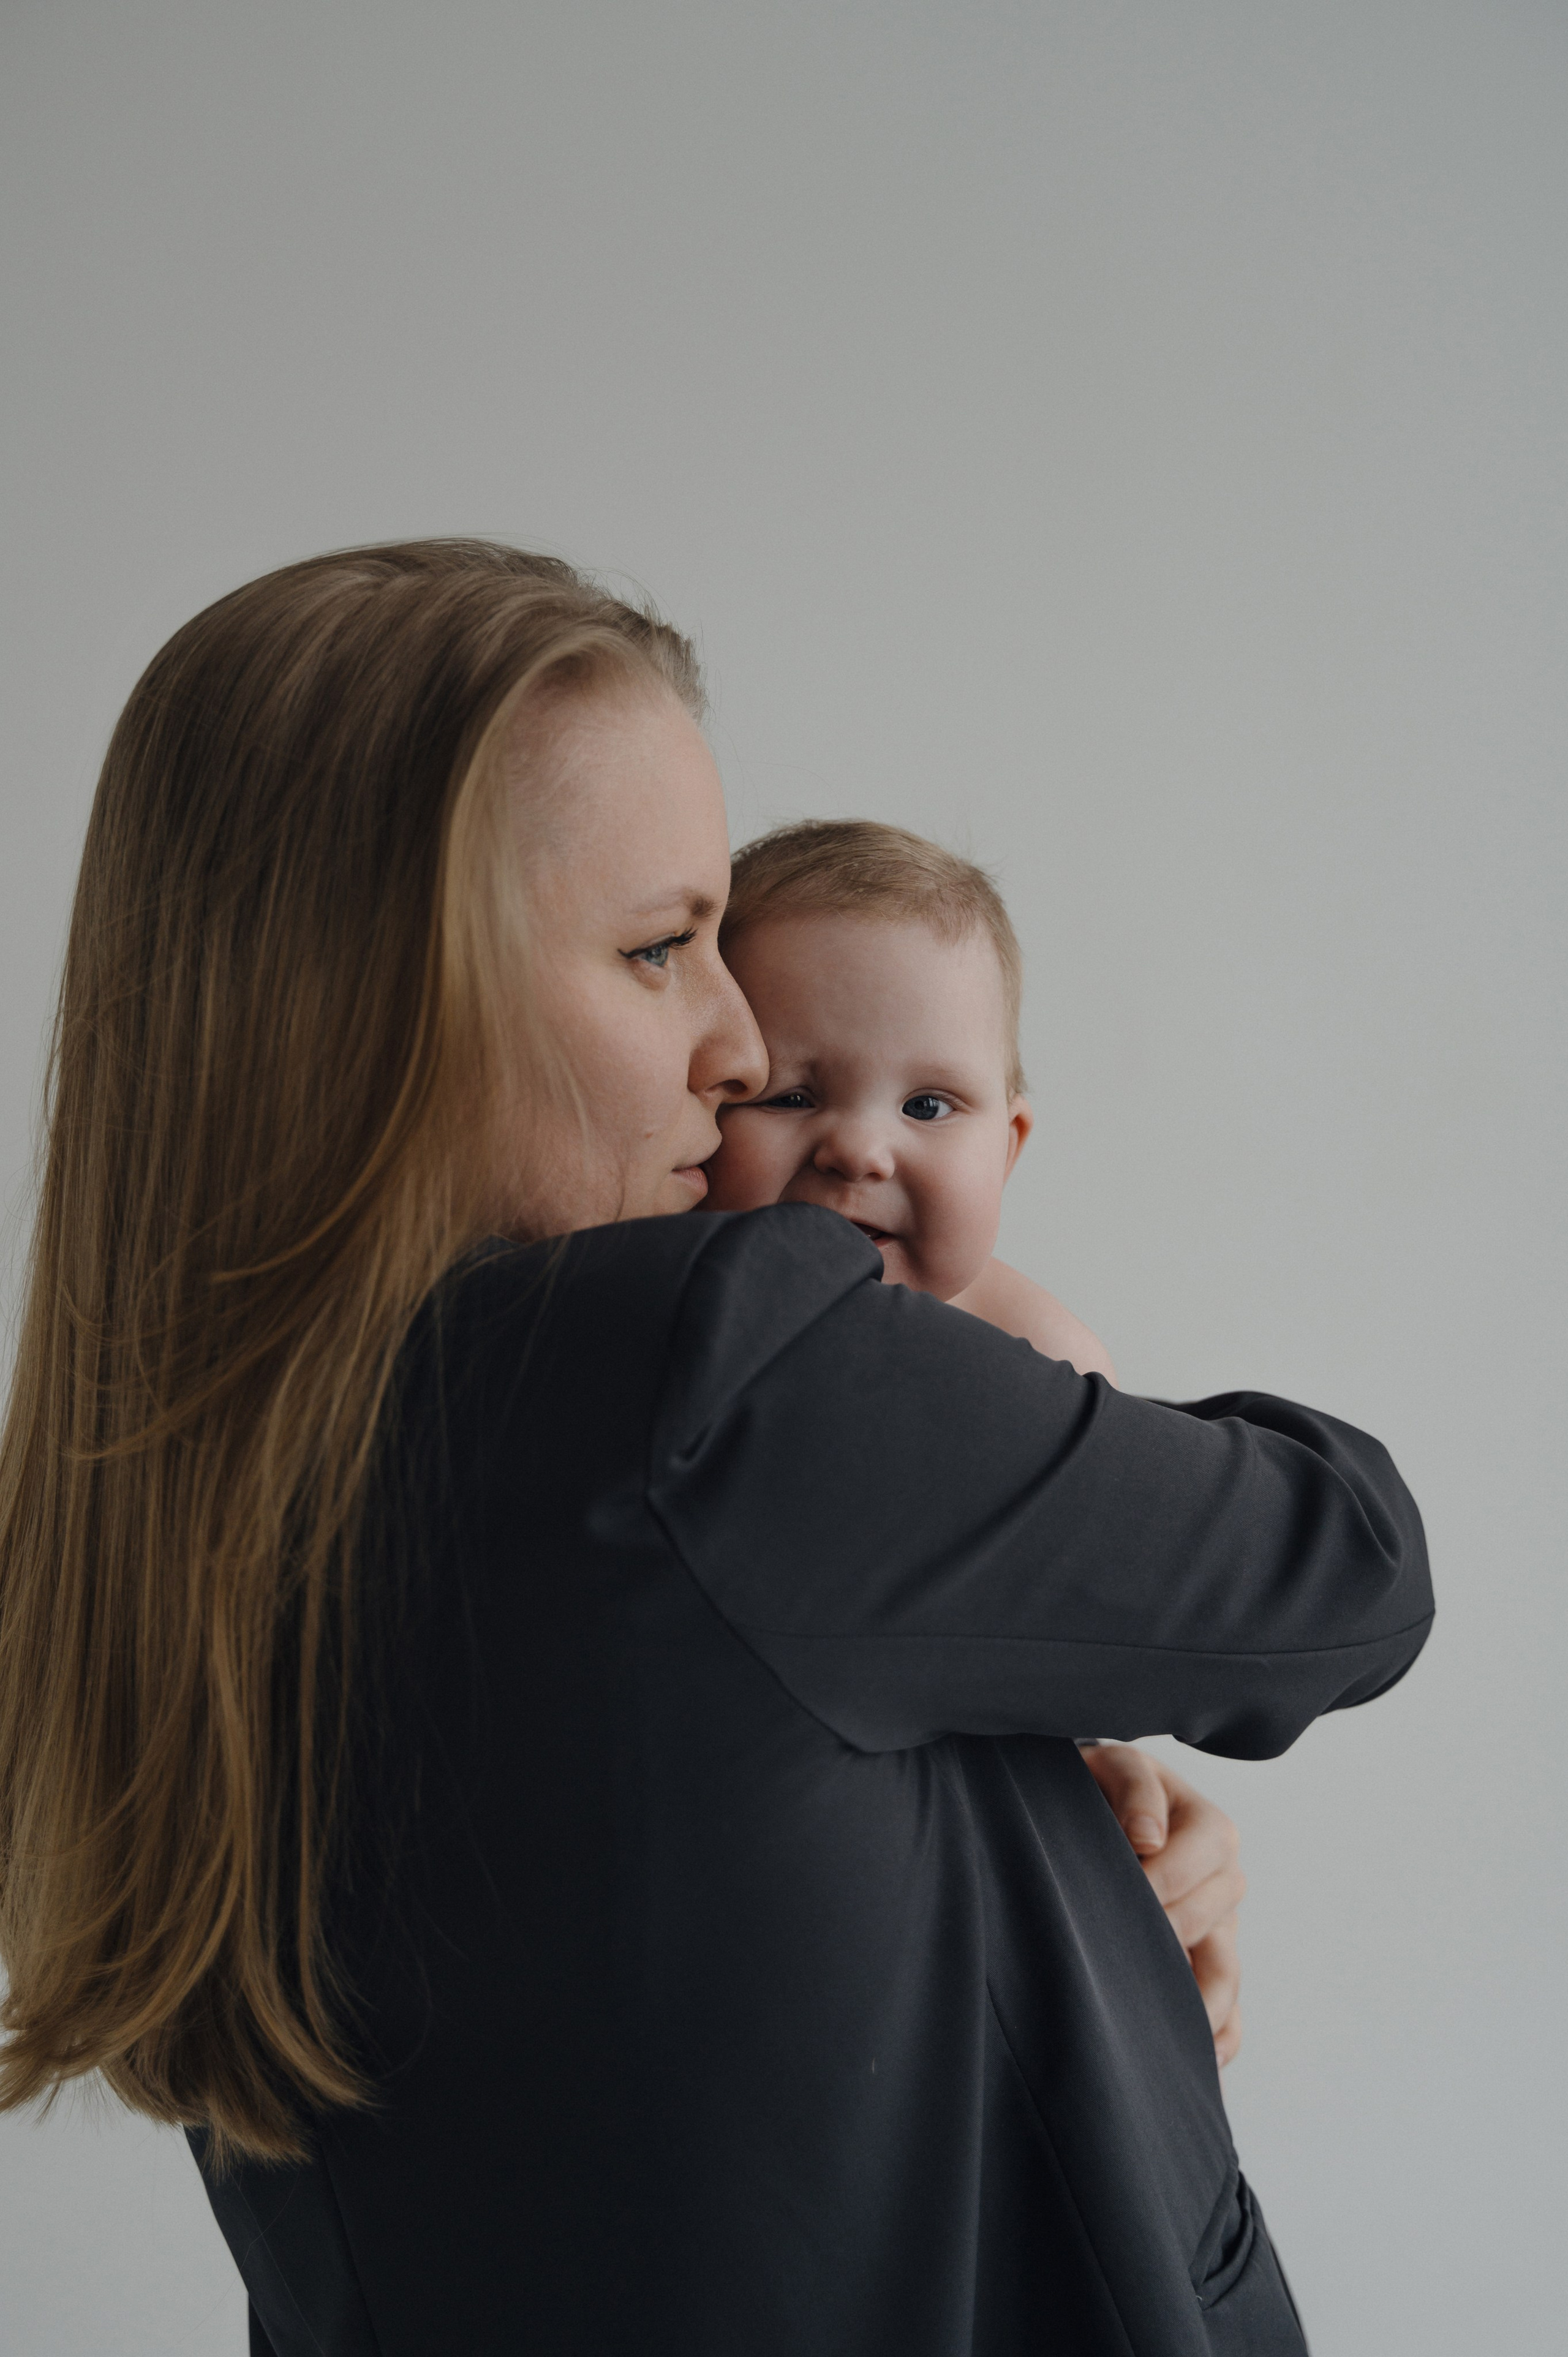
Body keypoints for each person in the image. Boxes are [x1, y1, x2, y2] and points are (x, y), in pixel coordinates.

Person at [0, 541, 1431, 2356]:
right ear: (375, 999)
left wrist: (1058, 1893)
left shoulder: (179, 1491)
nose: (742, 1047)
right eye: (662, 948)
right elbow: (1351, 1564)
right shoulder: (704, 1368)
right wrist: (1028, 1360)